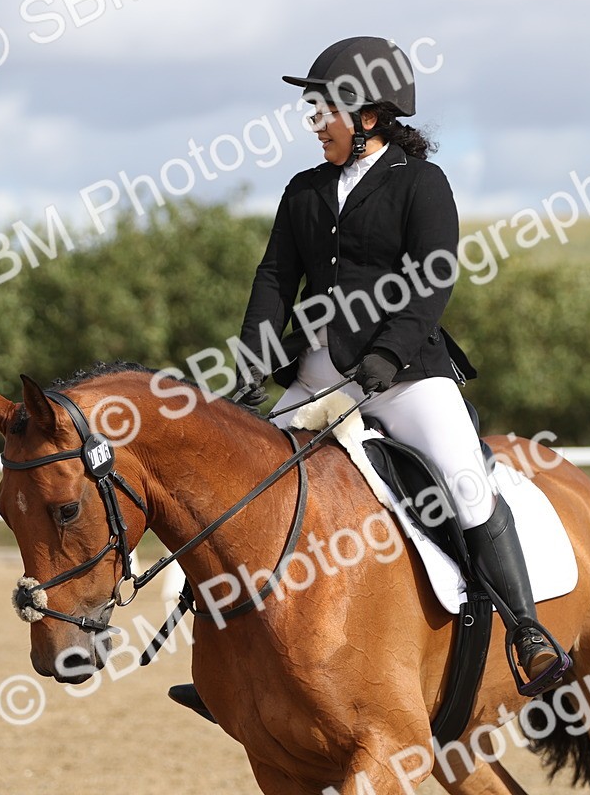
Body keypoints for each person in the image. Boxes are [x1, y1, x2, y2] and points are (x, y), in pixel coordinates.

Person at [170, 37, 569, 721]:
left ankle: (529, 633)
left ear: (370, 116)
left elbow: (433, 275)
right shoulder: (305, 191)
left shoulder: (420, 183)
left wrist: (390, 352)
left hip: (405, 371)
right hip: (320, 369)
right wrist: (253, 361)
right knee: (236, 489)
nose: (314, 121)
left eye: (324, 109)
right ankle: (225, 661)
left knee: (466, 480)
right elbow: (274, 278)